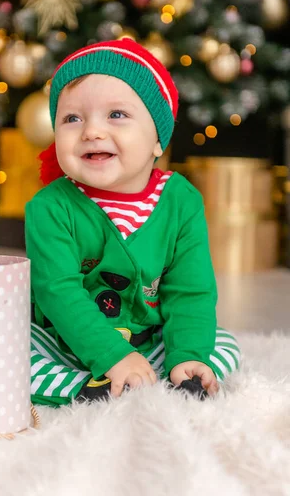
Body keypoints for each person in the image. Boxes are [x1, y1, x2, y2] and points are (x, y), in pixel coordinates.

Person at [25, 39, 240, 407]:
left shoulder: (180, 201)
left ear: (158, 139)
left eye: (117, 115)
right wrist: (112, 357)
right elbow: (58, 292)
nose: (92, 131)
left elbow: (190, 290)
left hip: (151, 340)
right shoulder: (50, 207)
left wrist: (187, 353)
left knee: (221, 343)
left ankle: (178, 375)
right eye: (72, 118)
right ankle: (84, 388)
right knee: (11, 349)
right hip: (66, 341)